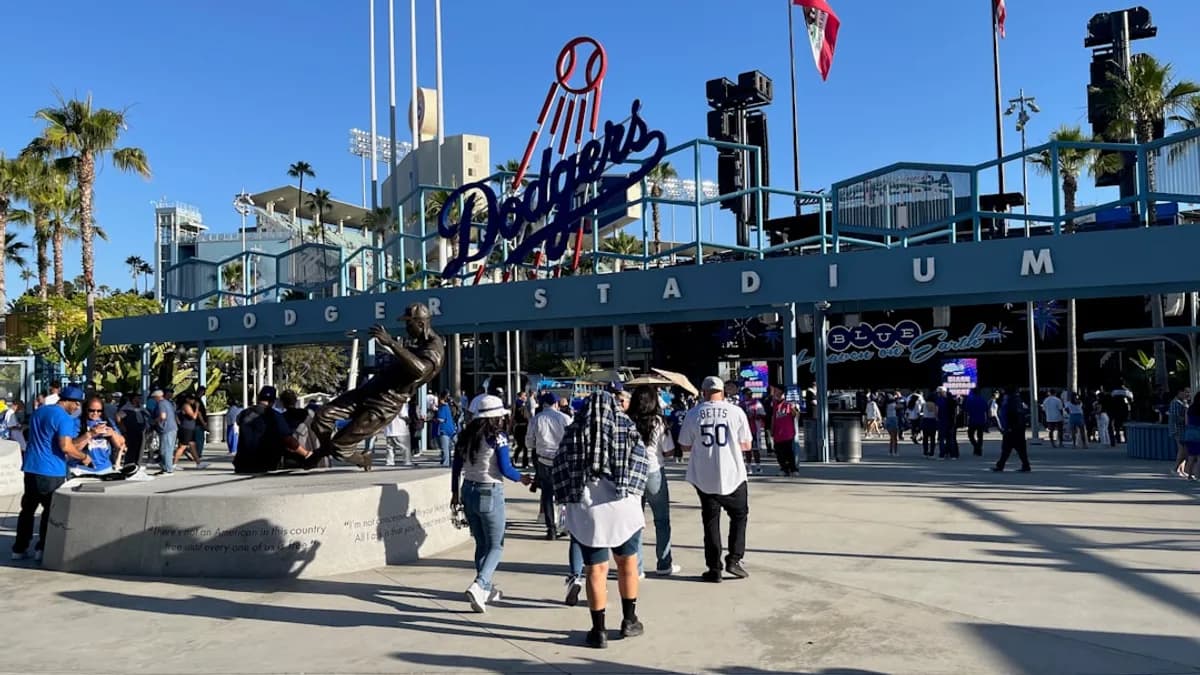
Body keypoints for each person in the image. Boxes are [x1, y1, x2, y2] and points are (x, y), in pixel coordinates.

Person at [551, 390, 648, 649]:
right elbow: (641, 466)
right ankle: (629, 620)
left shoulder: (573, 432)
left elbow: (559, 469)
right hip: (623, 507)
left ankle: (599, 629)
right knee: (627, 562)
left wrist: (565, 496)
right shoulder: (626, 428)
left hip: (588, 511)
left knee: (596, 569)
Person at [310, 303, 444, 470]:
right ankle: (324, 450)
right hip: (369, 391)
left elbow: (420, 370)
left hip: (385, 403)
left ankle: (363, 459)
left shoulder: (434, 347)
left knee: (339, 446)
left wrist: (391, 343)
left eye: (408, 324)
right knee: (322, 416)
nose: (406, 328)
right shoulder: (416, 343)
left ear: (421, 324)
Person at [450, 394, 530, 613]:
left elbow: (456, 467)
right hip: (490, 490)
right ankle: (479, 584)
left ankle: (485, 587)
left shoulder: (464, 436)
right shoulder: (498, 437)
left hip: (468, 489)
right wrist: (521, 478)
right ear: (497, 416)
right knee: (496, 545)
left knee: (481, 543)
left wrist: (454, 493)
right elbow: (505, 468)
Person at [677, 376, 753, 583]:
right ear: (723, 391)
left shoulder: (693, 414)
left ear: (703, 392)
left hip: (704, 475)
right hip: (733, 473)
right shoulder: (736, 412)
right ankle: (734, 559)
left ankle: (714, 567)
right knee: (739, 515)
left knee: (710, 520)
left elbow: (684, 445)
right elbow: (746, 444)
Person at [11, 386, 97, 561]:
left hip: (31, 468)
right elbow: (65, 446)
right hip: (51, 470)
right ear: (68, 401)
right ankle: (42, 548)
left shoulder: (39, 412)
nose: (77, 408)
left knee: (27, 510)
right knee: (50, 511)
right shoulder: (63, 418)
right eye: (76, 404)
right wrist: (84, 457)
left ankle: (19, 549)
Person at [627, 384, 681, 577]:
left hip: (631, 472)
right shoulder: (658, 421)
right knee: (662, 520)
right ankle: (664, 562)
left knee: (634, 521)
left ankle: (636, 567)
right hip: (654, 471)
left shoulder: (627, 420)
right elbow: (668, 451)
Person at [233, 387, 314, 474]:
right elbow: (287, 439)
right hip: (264, 465)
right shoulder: (275, 417)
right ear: (273, 401)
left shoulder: (243, 414)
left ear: (258, 398)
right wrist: (306, 453)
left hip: (242, 464)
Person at [525, 392, 571, 540]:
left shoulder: (536, 420)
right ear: (556, 404)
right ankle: (564, 526)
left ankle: (550, 528)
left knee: (547, 495)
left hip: (543, 461)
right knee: (564, 495)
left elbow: (529, 443)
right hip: (562, 460)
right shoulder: (565, 418)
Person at [70, 395, 128, 472]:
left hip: (105, 468)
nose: (95, 413)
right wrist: (90, 434)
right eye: (91, 410)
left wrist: (113, 434)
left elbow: (122, 445)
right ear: (85, 409)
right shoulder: (77, 423)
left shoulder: (107, 422)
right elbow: (70, 448)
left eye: (99, 411)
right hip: (82, 468)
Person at [993, 390, 1032, 473]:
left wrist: (1007, 428)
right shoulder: (1018, 401)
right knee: (1020, 449)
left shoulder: (1009, 402)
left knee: (1007, 448)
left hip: (1012, 429)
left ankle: (1000, 465)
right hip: (1019, 429)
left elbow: (1009, 415)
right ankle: (1025, 465)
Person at [768, 384, 799, 476]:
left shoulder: (788, 403)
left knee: (789, 451)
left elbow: (796, 415)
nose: (775, 392)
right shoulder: (774, 403)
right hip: (777, 432)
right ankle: (784, 468)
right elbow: (773, 417)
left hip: (787, 432)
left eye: (777, 390)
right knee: (779, 452)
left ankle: (793, 469)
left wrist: (794, 408)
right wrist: (772, 429)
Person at [151, 389, 178, 475]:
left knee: (165, 450)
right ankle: (165, 468)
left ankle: (168, 469)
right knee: (167, 449)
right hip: (172, 428)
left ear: (157, 397)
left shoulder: (161, 404)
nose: (154, 400)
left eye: (154, 398)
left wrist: (154, 421)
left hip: (166, 429)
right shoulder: (167, 403)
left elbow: (163, 416)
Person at [1168, 385, 1191, 478]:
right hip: (1177, 429)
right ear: (1179, 392)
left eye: (1189, 392)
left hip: (1182, 429)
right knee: (1182, 450)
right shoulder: (1175, 403)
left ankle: (1180, 470)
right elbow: (1175, 418)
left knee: (1183, 450)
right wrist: (1186, 417)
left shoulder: (1183, 403)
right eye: (1185, 392)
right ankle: (1176, 468)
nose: (1187, 394)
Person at [436, 391, 458, 467]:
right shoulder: (449, 407)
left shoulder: (442, 407)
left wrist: (433, 419)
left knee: (445, 449)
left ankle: (446, 464)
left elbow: (441, 419)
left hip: (444, 429)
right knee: (451, 447)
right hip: (451, 428)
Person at [964, 388, 988, 456]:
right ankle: (978, 449)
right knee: (980, 436)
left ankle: (976, 447)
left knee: (970, 435)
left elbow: (966, 410)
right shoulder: (983, 400)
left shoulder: (970, 400)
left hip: (972, 420)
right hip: (981, 420)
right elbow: (986, 410)